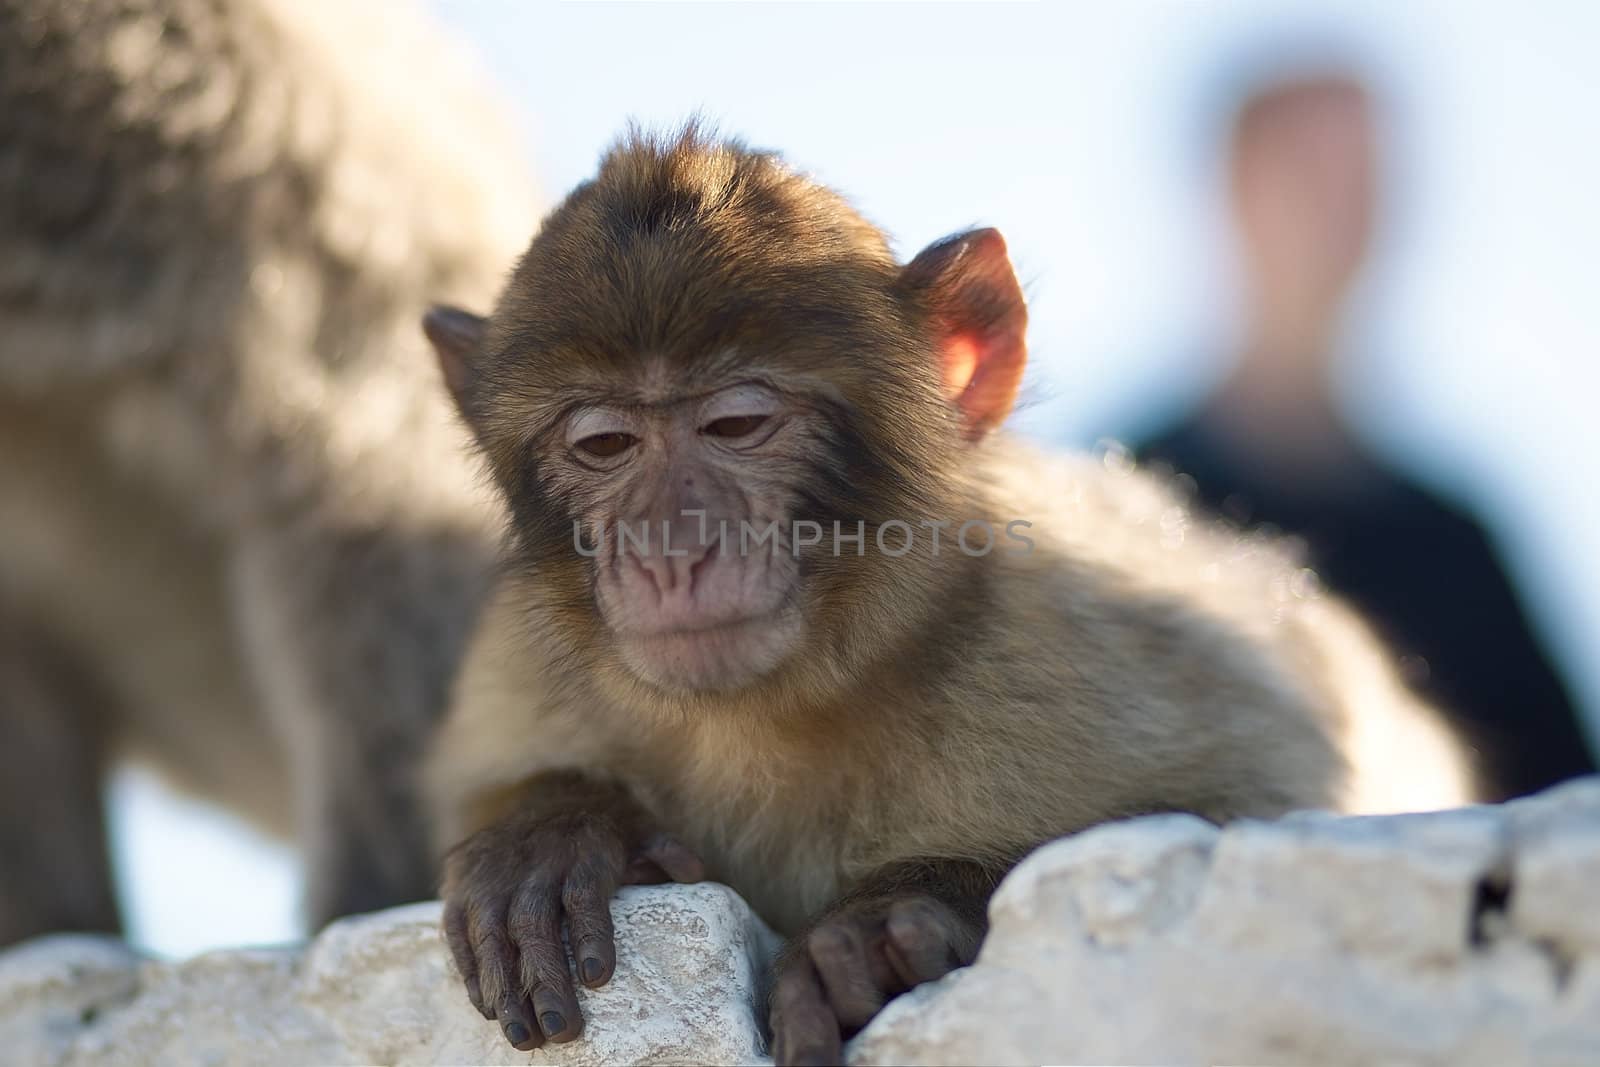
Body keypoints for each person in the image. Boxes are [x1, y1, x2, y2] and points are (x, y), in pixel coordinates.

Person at [1134, 72, 1594, 800]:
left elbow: (1563, 809)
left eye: (1367, 181)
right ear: (1235, 189)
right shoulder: (1128, 501)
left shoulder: (1455, 540)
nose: (1343, 214)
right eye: (1310, 176)